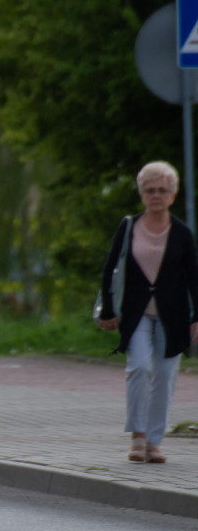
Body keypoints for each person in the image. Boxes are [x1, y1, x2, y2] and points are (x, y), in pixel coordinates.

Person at [97, 161, 198, 465]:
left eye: (162, 191)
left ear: (173, 195)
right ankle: (137, 436)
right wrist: (108, 310)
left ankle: (155, 442)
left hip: (173, 317)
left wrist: (197, 318)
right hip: (136, 313)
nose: (156, 195)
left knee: (165, 376)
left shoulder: (182, 233)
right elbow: (111, 268)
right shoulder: (129, 227)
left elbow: (194, 277)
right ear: (141, 194)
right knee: (140, 368)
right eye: (150, 190)